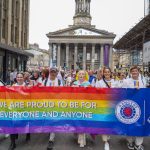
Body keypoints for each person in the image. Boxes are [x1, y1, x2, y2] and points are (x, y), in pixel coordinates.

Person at [122, 66, 145, 150]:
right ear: (130, 72)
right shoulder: (126, 81)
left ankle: (138, 144)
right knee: (129, 123)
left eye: (136, 71)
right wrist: (133, 91)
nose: (134, 72)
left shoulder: (143, 80)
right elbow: (123, 92)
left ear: (138, 72)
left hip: (141, 105)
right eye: (133, 71)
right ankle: (130, 142)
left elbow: (145, 92)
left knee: (140, 124)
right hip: (129, 106)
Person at [95, 67, 117, 150]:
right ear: (103, 73)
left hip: (113, 105)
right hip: (103, 105)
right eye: (105, 72)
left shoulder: (115, 82)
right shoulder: (99, 82)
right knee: (104, 122)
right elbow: (96, 94)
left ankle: (108, 135)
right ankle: (105, 142)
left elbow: (120, 92)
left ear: (111, 73)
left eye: (108, 72)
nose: (107, 73)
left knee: (110, 123)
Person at [42, 67, 63, 150]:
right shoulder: (45, 81)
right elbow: (40, 92)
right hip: (46, 105)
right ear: (49, 72)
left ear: (56, 73)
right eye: (51, 72)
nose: (53, 73)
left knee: (53, 120)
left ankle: (51, 139)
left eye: (54, 72)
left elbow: (62, 92)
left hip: (55, 105)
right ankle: (50, 131)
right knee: (48, 120)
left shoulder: (59, 81)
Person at [8, 73, 30, 150]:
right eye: (18, 77)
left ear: (23, 78)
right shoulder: (13, 86)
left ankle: (28, 133)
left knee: (25, 123)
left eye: (21, 77)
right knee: (12, 125)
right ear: (16, 78)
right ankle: (13, 143)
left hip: (25, 108)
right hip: (15, 108)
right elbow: (9, 96)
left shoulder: (27, 86)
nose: (19, 78)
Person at [72, 70, 91, 148]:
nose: (81, 75)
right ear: (77, 75)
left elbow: (91, 95)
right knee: (77, 120)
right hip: (76, 105)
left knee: (83, 121)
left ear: (85, 75)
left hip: (85, 105)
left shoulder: (88, 84)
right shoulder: (74, 84)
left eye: (83, 74)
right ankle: (79, 135)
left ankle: (82, 140)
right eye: (80, 74)